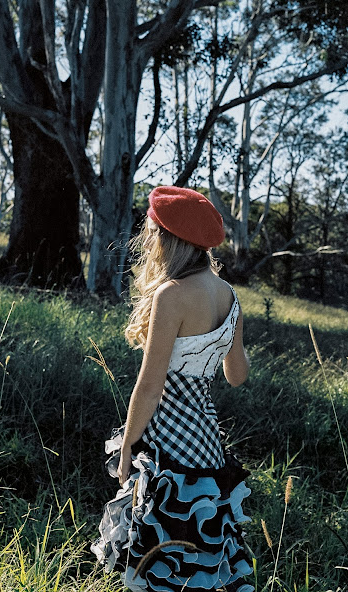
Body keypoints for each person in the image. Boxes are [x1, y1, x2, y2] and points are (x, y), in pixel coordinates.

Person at [91, 186, 253, 592]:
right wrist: (218, 343)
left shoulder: (171, 295)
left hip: (167, 437)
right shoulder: (229, 295)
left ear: (168, 240)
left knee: (159, 544)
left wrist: (127, 446)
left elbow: (150, 386)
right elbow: (237, 375)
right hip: (206, 441)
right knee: (199, 540)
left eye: (153, 234)